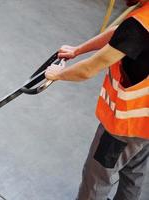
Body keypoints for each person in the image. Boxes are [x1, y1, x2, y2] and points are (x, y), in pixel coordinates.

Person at [45, 0, 149, 199]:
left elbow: (88, 69)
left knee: (96, 180)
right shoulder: (143, 19)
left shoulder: (139, 26)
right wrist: (78, 50)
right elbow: (121, 34)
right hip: (145, 126)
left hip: (125, 127)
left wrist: (58, 74)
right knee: (133, 172)